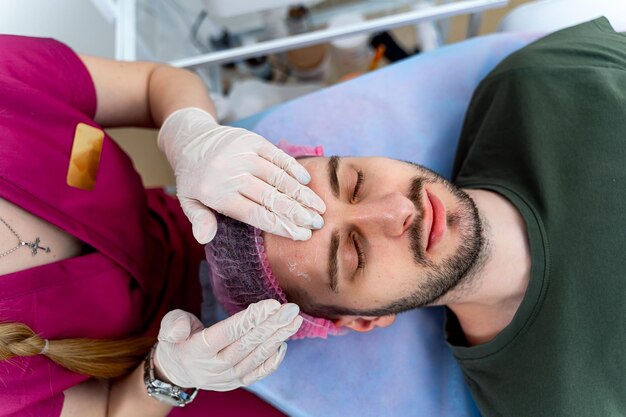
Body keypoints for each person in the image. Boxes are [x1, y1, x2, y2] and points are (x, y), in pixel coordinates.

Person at [203, 18, 626, 416]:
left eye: (355, 183)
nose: (400, 210)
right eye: (354, 252)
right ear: (361, 319)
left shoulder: (540, 85)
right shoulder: (555, 404)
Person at [0, 33, 329, 416]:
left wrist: (191, 133)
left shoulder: (9, 86)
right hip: (177, 383)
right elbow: (109, 411)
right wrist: (169, 375)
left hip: (202, 218)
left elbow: (152, 84)